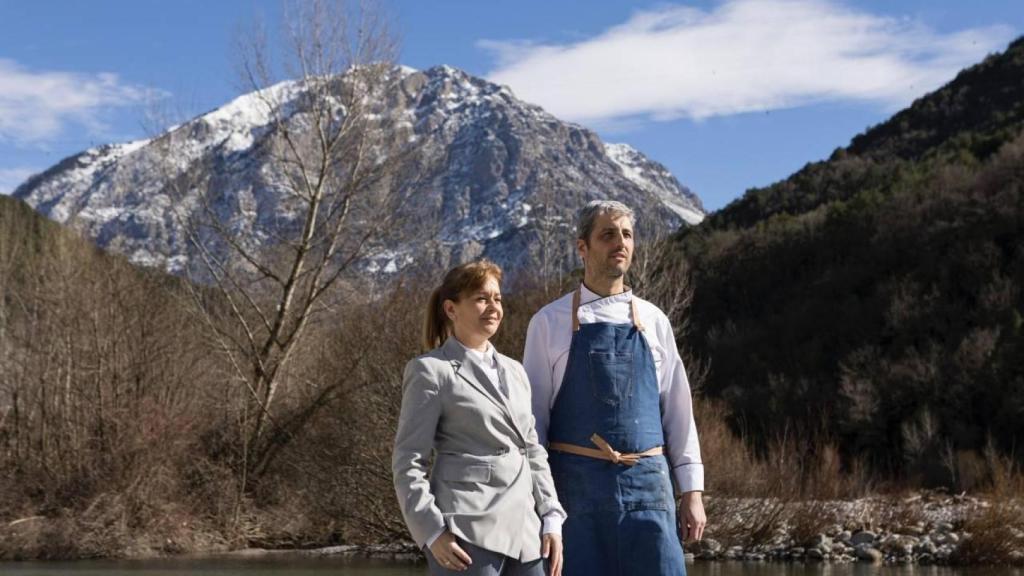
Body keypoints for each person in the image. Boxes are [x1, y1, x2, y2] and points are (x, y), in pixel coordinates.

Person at [522, 200, 706, 576]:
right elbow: (532, 426)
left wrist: (692, 492)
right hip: (574, 498)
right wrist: (539, 505)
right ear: (583, 247)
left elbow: (679, 415)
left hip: (650, 493)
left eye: (627, 234)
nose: (620, 242)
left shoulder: (655, 321)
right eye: (608, 234)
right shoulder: (548, 322)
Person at [393, 260, 567, 576]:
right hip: (466, 532)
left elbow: (532, 450)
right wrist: (431, 531)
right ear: (451, 309)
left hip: (527, 533)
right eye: (481, 299)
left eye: (497, 298)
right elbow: (408, 461)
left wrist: (551, 516)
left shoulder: (516, 371)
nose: (493, 307)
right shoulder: (430, 371)